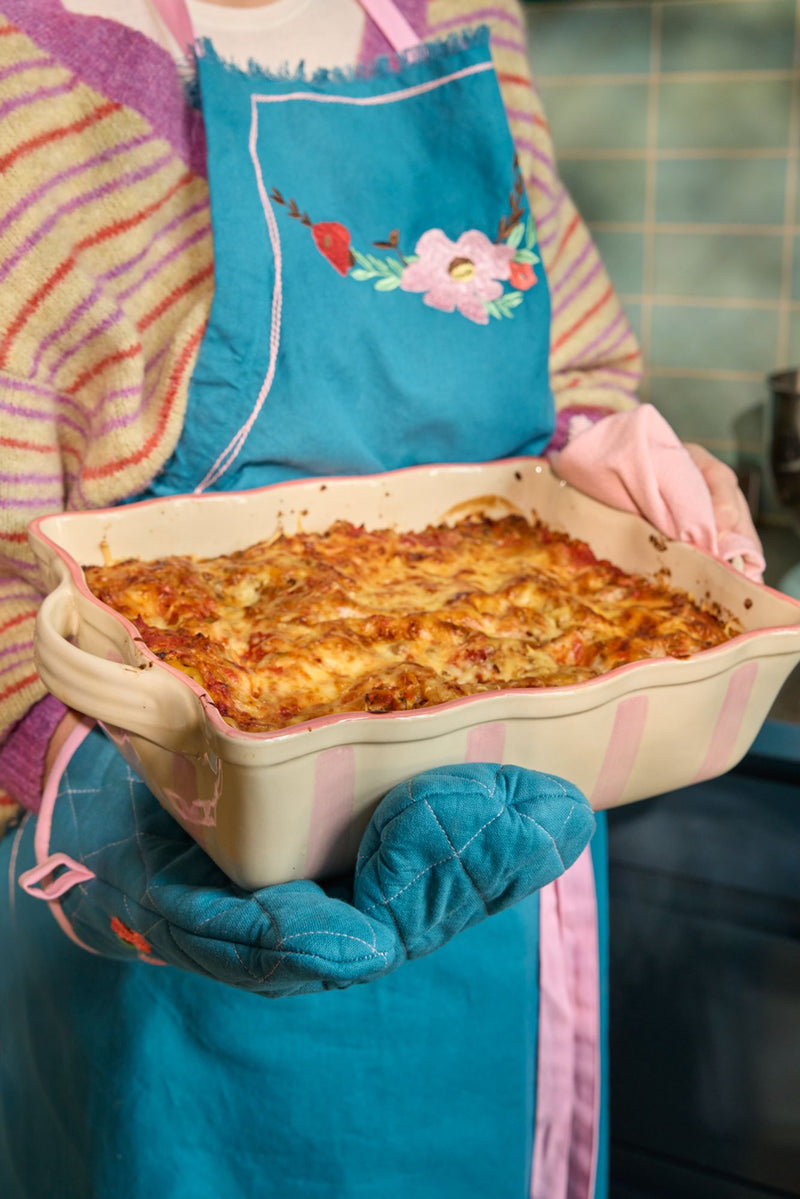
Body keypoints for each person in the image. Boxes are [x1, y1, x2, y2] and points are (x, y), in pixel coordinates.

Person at [0, 2, 763, 1197]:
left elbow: (562, 371)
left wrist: (614, 470)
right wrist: (111, 819)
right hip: (185, 962)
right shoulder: (29, 78)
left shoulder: (461, 21)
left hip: (517, 893)